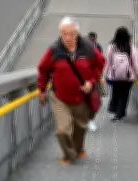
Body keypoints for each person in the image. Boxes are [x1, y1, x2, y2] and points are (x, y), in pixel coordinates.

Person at [38, 16, 105, 166]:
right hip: (59, 96)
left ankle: (79, 148)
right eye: (64, 34)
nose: (67, 38)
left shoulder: (88, 48)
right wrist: (42, 90)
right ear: (60, 33)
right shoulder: (54, 50)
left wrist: (91, 81)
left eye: (71, 34)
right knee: (62, 130)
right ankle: (69, 155)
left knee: (80, 127)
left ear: (77, 33)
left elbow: (100, 65)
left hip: (81, 97)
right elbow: (43, 69)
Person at [103, 26, 138, 122]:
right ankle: (120, 113)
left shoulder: (112, 47)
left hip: (115, 76)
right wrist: (136, 75)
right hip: (128, 77)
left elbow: (108, 62)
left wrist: (105, 74)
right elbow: (135, 63)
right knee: (125, 95)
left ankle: (114, 110)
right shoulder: (132, 47)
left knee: (116, 92)